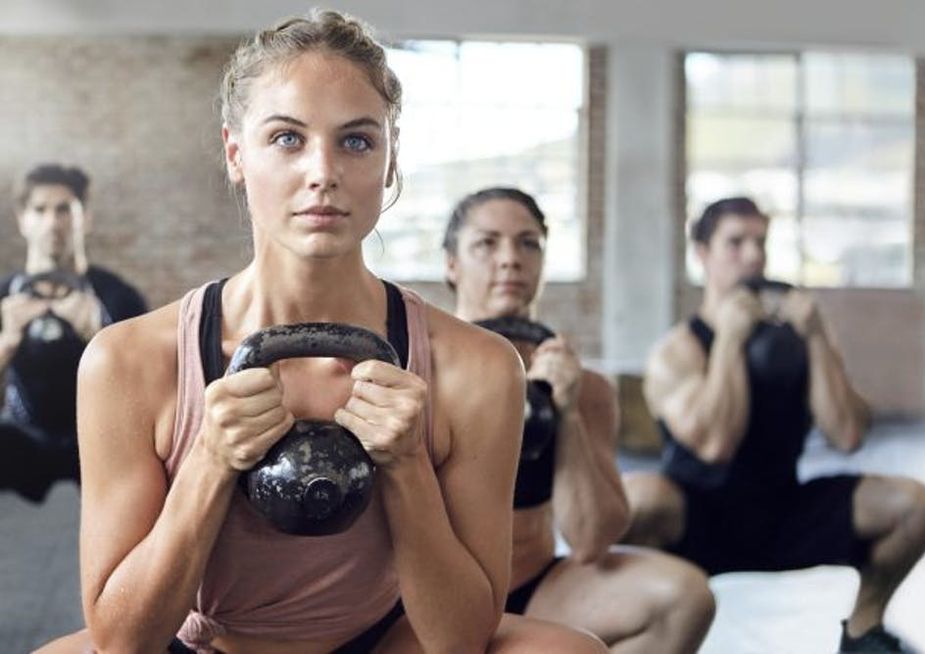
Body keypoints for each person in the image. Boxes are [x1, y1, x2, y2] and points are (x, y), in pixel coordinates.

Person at [38, 10, 609, 654]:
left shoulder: (477, 367)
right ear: (236, 153)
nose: (323, 172)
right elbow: (122, 641)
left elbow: (460, 638)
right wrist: (209, 461)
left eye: (357, 141)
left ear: (391, 162)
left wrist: (407, 464)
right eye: (287, 138)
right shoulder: (128, 360)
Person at [620, 196, 925, 652]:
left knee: (914, 505)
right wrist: (730, 339)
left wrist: (814, 337)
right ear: (702, 254)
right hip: (696, 520)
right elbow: (714, 446)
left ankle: (862, 631)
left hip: (781, 512)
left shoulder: (799, 337)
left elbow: (848, 434)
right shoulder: (676, 352)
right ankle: (639, 631)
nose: (753, 256)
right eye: (735, 243)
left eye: (760, 243)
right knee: (635, 501)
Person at [443, 187, 715, 653]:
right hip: (436, 595)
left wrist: (566, 413)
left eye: (528, 243)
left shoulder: (587, 387)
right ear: (452, 264)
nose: (510, 259)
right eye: (486, 244)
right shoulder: (423, 367)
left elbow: (591, 540)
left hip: (535, 586)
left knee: (684, 598)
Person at [0, 163, 147, 503]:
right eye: (40, 210)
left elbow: (149, 392)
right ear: (23, 220)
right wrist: (6, 341)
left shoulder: (117, 296)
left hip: (98, 440)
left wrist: (98, 331)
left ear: (85, 218)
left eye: (64, 209)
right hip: (24, 438)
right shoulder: (5, 296)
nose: (53, 222)